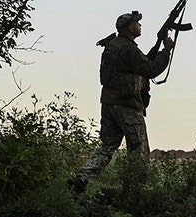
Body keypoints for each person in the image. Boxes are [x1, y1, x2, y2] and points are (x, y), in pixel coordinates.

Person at [67, 10, 175, 194]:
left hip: (108, 104)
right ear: (130, 27)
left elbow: (137, 65)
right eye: (137, 23)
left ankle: (82, 178)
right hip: (127, 106)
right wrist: (166, 50)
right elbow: (150, 69)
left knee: (107, 145)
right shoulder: (129, 48)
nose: (140, 25)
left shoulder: (113, 46)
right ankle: (135, 191)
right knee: (139, 148)